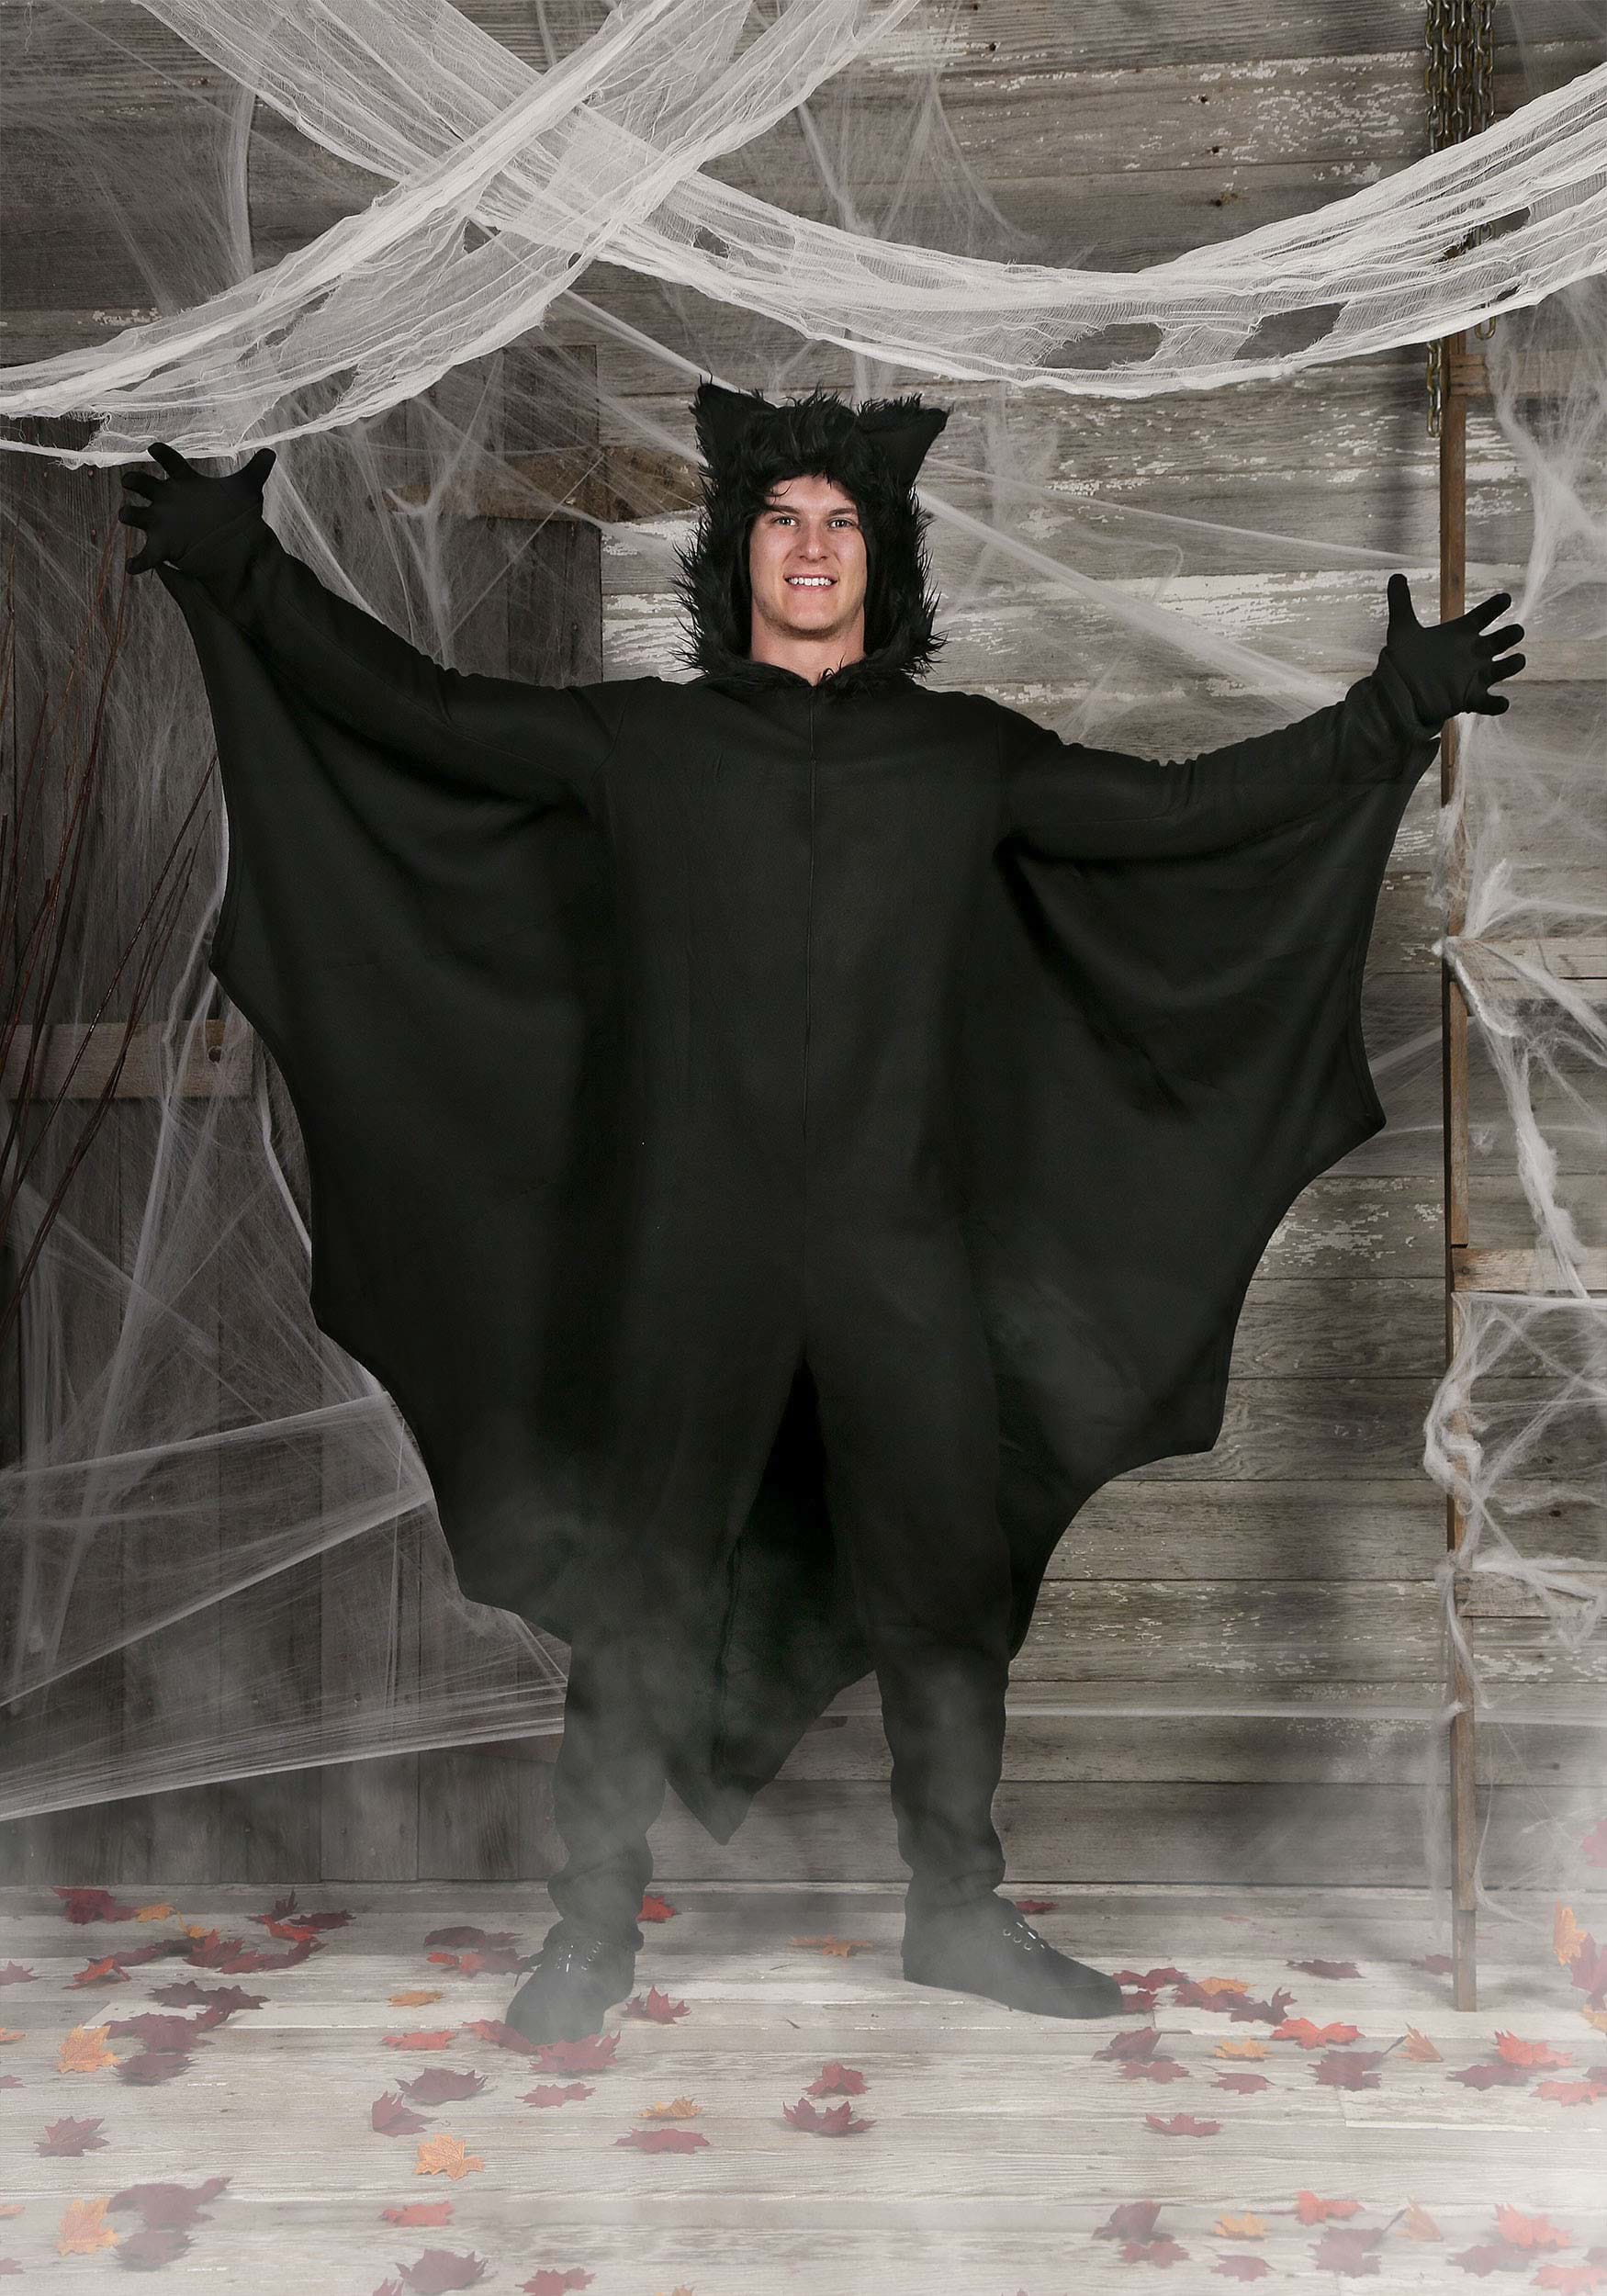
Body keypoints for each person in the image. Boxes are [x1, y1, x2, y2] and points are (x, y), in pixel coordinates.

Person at [120, 381, 1523, 2045]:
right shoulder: (632, 744)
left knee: (945, 1587)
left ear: (881, 559)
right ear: (737, 552)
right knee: (640, 1583)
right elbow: (410, 711)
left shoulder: (967, 758)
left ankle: (958, 1914)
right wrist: (241, 571)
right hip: (679, 1258)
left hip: (899, 1258)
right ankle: (587, 1935)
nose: (809, 545)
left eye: (840, 522)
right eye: (781, 519)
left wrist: (1387, 713)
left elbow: (1181, 815)